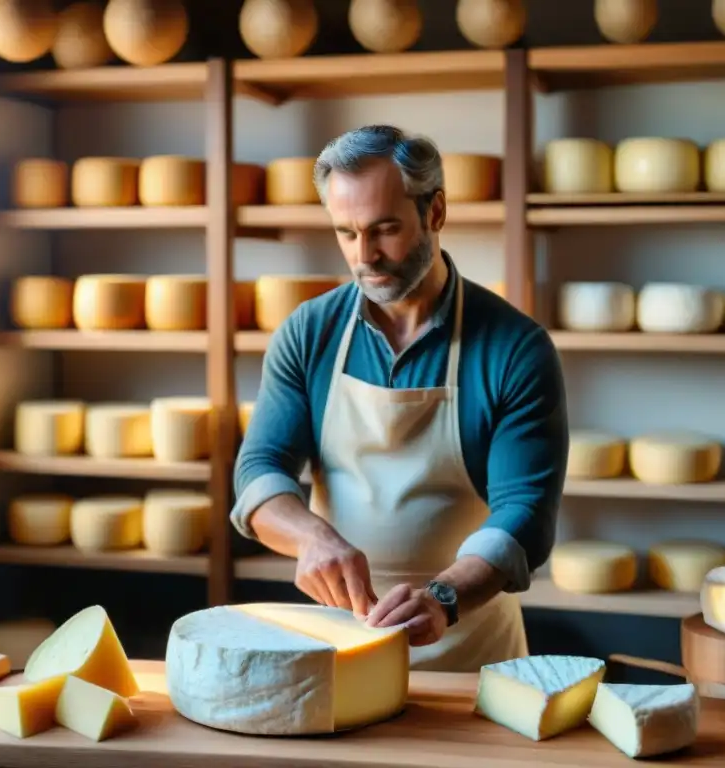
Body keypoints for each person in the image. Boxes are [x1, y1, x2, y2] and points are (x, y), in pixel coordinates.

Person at [230, 124, 569, 672]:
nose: (365, 255)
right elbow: (259, 469)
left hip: (471, 645)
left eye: (385, 229)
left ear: (434, 213)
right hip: (339, 643)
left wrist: (444, 597)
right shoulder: (308, 333)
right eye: (346, 232)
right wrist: (310, 537)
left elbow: (526, 514)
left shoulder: (515, 348)